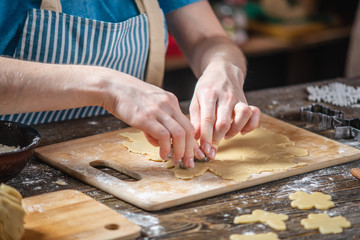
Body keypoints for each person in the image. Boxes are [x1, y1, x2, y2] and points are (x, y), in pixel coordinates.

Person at [0, 0, 260, 168]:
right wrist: (107, 87)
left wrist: (224, 68)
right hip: (16, 169)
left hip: (127, 164)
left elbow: (209, 38)